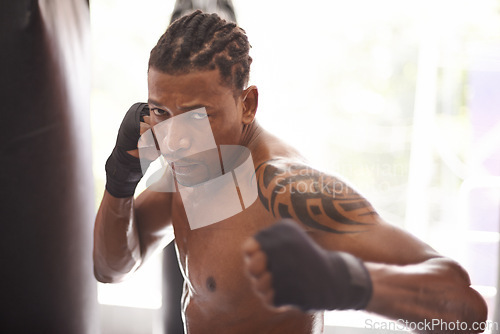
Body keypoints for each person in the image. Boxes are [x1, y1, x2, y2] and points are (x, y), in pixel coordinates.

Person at [93, 10, 488, 334]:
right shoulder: (190, 167)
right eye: (161, 112)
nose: (175, 138)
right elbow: (112, 268)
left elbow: (468, 313)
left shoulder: (285, 189)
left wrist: (351, 283)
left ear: (247, 104)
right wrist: (122, 177)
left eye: (198, 115)